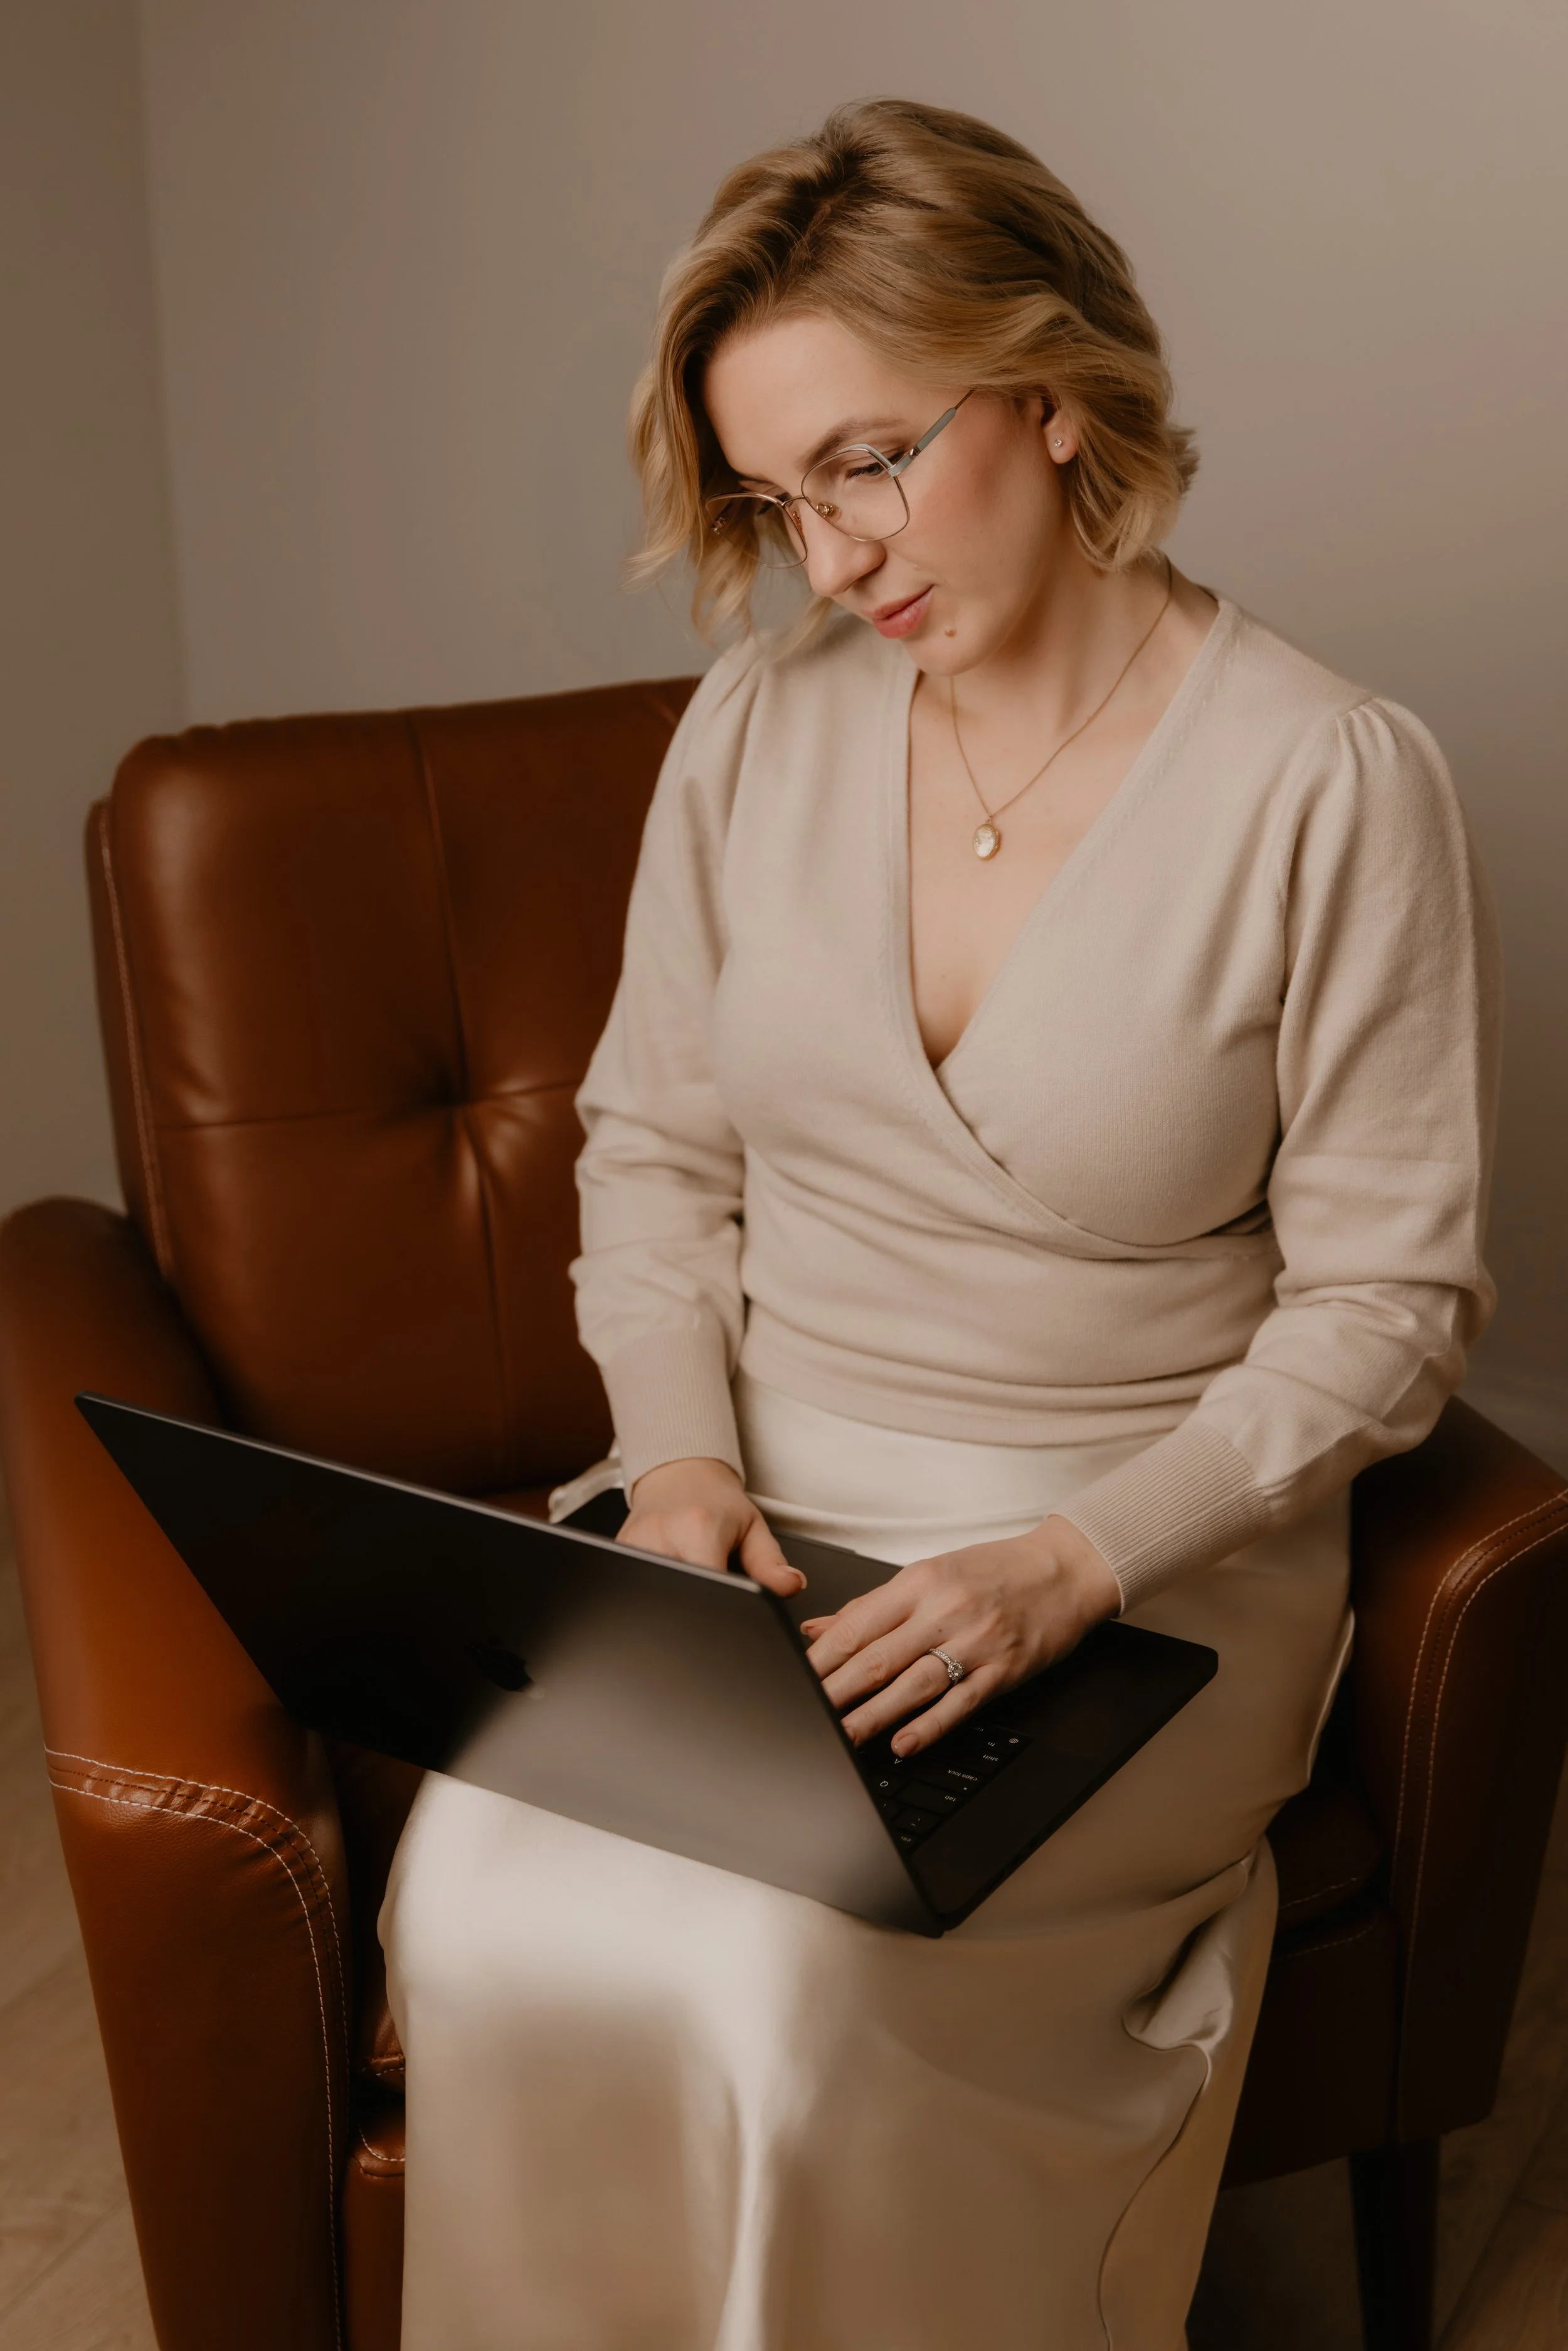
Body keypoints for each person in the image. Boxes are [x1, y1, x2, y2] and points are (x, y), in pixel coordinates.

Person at [381, 97, 1498, 2350]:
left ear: (1052, 391)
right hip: (761, 1532)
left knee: (792, 1979)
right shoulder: (751, 731)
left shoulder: (1326, 778)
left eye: (870, 461)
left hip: (1127, 1570)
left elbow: (1393, 1304)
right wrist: (681, 1463)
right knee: (486, 1893)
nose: (832, 559)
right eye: (783, 500)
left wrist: (1073, 1561)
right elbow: (652, 1150)